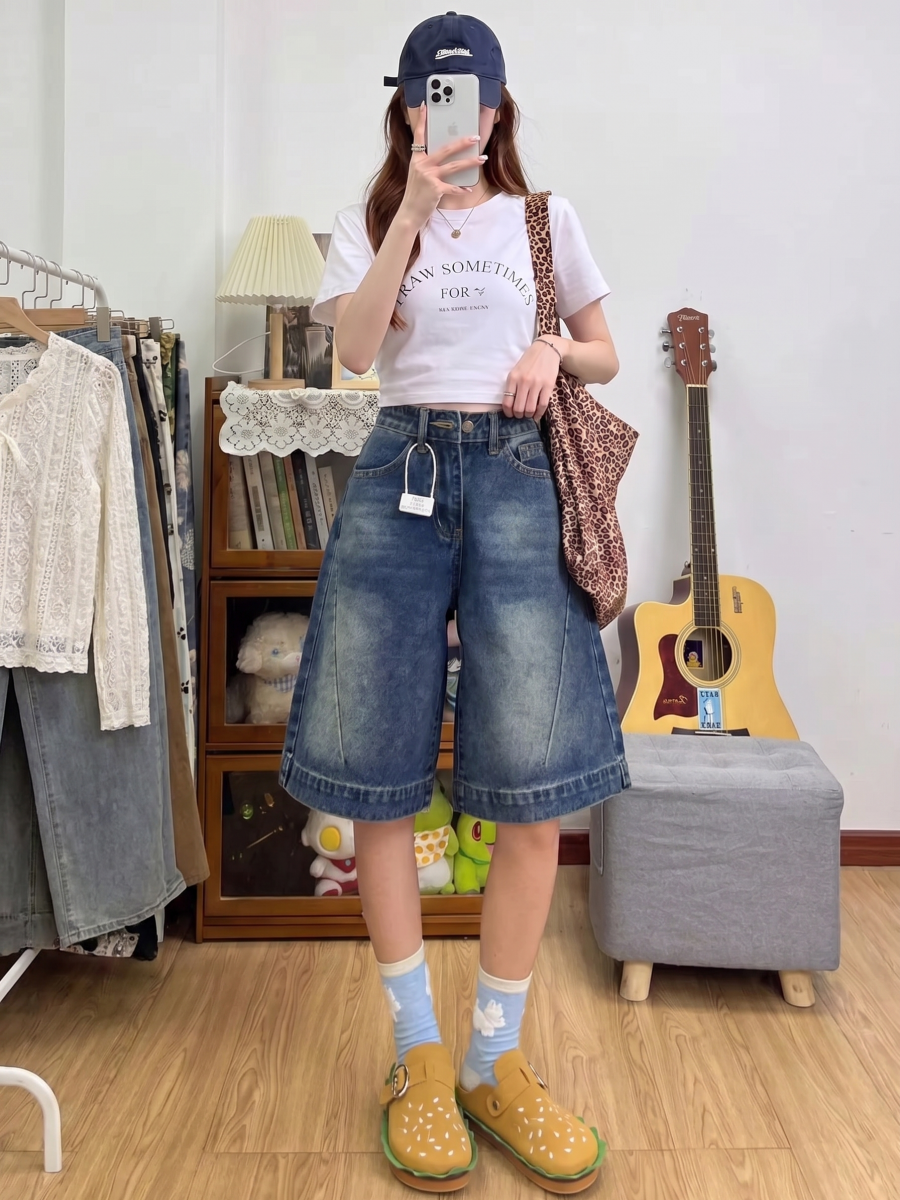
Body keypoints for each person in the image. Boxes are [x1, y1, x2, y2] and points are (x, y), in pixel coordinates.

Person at [281, 11, 630, 1193]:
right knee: (377, 769)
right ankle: (419, 1055)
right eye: (431, 96)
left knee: (533, 782)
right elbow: (357, 354)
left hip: (523, 475)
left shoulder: (546, 219)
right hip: (401, 473)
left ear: (496, 107)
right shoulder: (374, 217)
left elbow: (605, 352)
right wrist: (412, 217)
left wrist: (550, 349)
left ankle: (493, 1060)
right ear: (408, 108)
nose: (452, 115)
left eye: (470, 96)